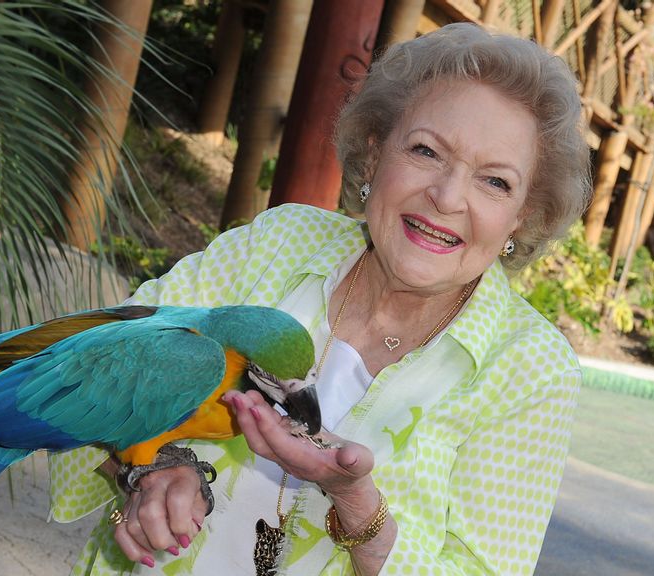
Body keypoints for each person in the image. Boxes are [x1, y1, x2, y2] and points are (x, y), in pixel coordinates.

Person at [49, 21, 591, 576]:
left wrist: (357, 504)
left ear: (522, 216)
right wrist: (149, 471)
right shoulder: (276, 245)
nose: (447, 196)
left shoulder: (533, 370)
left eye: (495, 181)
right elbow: (91, 363)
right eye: (426, 150)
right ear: (376, 154)